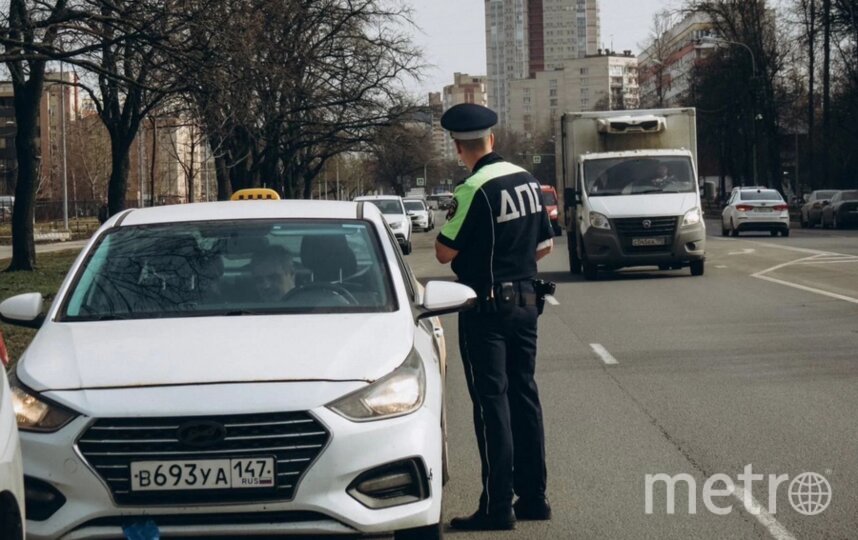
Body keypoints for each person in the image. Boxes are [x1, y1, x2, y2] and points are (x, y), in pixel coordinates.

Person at [435, 103, 554, 531]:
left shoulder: (472, 189)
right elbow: (545, 247)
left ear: (458, 146)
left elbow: (445, 251)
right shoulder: (528, 181)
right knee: (525, 395)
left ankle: (497, 506)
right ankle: (535, 498)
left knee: (491, 405)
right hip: (527, 303)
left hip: (486, 310)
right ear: (492, 139)